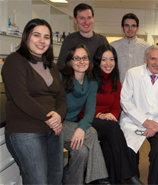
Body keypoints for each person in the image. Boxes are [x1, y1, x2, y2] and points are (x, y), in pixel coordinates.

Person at [1, 18, 67, 184]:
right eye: (36, 35)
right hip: (26, 131)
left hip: (53, 131)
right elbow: (21, 97)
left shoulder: (51, 65)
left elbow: (61, 96)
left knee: (55, 179)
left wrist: (58, 115)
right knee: (37, 181)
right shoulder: (14, 61)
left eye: (46, 37)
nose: (42, 41)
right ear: (27, 37)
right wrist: (51, 118)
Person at [78, 44, 143, 185]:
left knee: (109, 144)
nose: (108, 63)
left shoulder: (116, 82)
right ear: (97, 61)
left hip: (106, 123)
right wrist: (100, 114)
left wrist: (111, 116)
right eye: (104, 60)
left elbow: (116, 106)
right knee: (113, 128)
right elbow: (82, 107)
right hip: (87, 119)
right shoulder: (89, 79)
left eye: (111, 59)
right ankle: (129, 176)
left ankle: (110, 181)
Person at [120, 45, 158, 184]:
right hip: (133, 121)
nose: (157, 63)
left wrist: (155, 125)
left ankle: (155, 182)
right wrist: (144, 121)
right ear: (146, 59)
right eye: (153, 59)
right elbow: (125, 101)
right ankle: (133, 181)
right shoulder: (133, 74)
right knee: (129, 149)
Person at [60, 43, 110, 185]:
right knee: (92, 132)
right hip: (57, 124)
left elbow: (90, 110)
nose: (81, 61)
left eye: (85, 58)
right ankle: (101, 179)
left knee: (81, 152)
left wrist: (80, 127)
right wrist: (82, 129)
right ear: (70, 61)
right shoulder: (61, 77)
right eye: (77, 58)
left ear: (89, 60)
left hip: (72, 125)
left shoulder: (91, 83)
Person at [57, 3, 108, 70]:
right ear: (75, 20)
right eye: (82, 18)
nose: (86, 22)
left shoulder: (102, 41)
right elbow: (61, 66)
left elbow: (108, 65)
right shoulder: (69, 40)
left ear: (93, 19)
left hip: (96, 80)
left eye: (89, 18)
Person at [110, 13, 150, 83]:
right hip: (119, 90)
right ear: (122, 27)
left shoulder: (146, 47)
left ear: (137, 28)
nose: (130, 29)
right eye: (127, 25)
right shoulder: (113, 47)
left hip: (139, 90)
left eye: (133, 26)